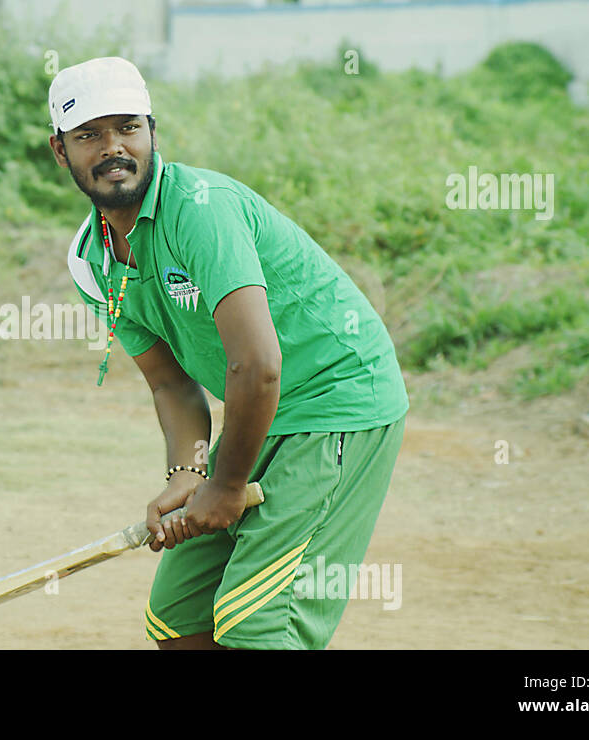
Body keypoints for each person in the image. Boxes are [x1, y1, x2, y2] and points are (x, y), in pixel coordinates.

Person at [48, 57, 408, 649]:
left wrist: (227, 482)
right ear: (61, 151)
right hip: (261, 413)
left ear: (152, 132)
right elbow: (170, 385)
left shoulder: (200, 209)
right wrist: (190, 473)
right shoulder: (92, 260)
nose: (113, 148)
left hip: (338, 398)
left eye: (128, 128)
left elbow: (259, 364)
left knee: (258, 625)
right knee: (178, 618)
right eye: (89, 135)